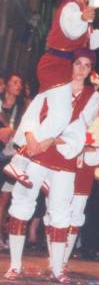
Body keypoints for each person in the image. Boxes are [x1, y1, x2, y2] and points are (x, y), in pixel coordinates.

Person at [5, 0, 99, 187]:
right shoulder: (72, 7)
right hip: (56, 64)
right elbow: (71, 30)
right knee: (61, 114)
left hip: (59, 65)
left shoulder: (80, 10)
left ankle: (34, 165)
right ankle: (21, 160)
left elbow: (88, 41)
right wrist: (83, 18)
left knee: (42, 110)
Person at [5, 49, 99, 283]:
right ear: (71, 64)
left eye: (86, 65)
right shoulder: (54, 86)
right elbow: (32, 115)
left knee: (60, 210)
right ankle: (15, 265)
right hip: (37, 153)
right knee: (22, 202)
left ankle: (57, 268)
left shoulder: (92, 96)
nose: (81, 68)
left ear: (90, 70)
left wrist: (51, 140)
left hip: (63, 158)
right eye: (78, 63)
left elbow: (79, 128)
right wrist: (30, 138)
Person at [63, 103, 99, 270]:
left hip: (83, 174)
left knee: (75, 215)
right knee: (56, 212)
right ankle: (55, 259)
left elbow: (94, 158)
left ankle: (62, 261)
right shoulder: (68, 107)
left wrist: (87, 147)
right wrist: (82, 146)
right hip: (62, 169)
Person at [0, 73, 26, 247]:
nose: (18, 85)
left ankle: (1, 235)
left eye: (20, 83)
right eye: (14, 82)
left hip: (11, 157)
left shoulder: (23, 108)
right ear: (5, 86)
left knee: (4, 199)